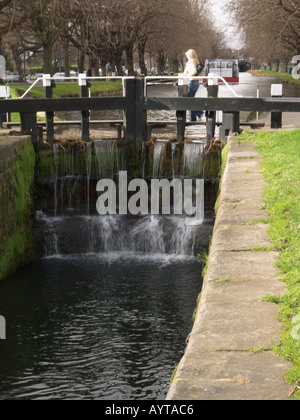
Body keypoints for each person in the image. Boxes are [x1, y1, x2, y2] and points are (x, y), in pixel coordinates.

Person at [183, 49, 204, 122]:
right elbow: (200, 74)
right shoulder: (196, 62)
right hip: (196, 83)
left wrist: (187, 76)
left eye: (187, 56)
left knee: (189, 101)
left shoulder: (191, 62)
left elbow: (194, 71)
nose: (187, 57)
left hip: (191, 82)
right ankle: (196, 115)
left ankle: (196, 115)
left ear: (190, 55)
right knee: (190, 99)